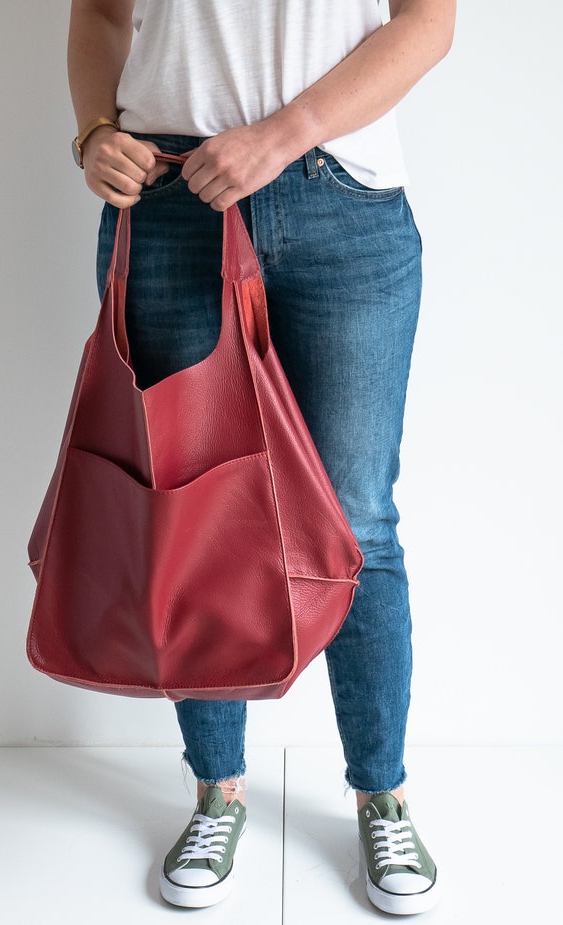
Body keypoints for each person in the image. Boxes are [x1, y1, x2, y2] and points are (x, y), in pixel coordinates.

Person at [67, 0, 455, 914]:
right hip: (168, 201)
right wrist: (91, 132)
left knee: (357, 520)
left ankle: (382, 792)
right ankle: (216, 788)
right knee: (190, 513)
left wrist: (287, 134)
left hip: (344, 205)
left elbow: (429, 21)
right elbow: (100, 15)